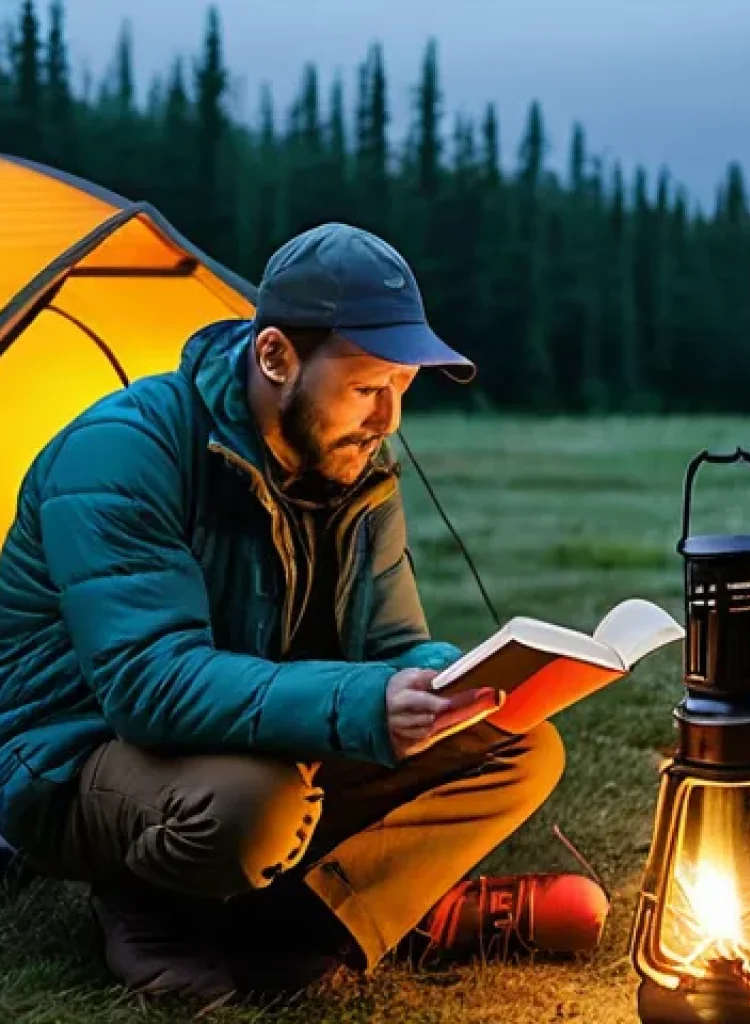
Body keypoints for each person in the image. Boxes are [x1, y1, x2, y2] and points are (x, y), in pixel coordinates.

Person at [0, 224, 607, 1006]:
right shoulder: (123, 451)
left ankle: (304, 927)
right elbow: (146, 685)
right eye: (365, 386)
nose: (387, 417)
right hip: (78, 755)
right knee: (255, 804)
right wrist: (364, 703)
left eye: (401, 385)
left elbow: (391, 647)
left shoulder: (355, 466)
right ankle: (143, 903)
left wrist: (460, 682)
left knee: (523, 749)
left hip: (251, 738)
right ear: (277, 358)